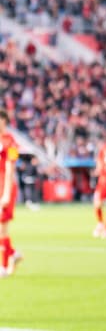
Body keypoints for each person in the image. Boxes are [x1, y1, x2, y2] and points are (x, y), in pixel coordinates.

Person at [0, 108, 22, 277]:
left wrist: (6, 194)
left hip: (4, 185)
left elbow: (10, 169)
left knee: (2, 228)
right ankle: (13, 254)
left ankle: (3, 265)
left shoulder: (11, 142)